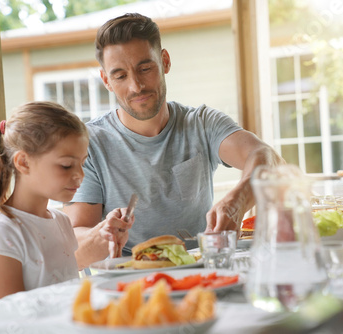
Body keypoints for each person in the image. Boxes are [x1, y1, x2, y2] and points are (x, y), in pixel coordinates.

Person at [64, 13, 284, 263]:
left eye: (145, 68)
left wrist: (238, 199)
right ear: (106, 81)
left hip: (202, 271)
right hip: (128, 282)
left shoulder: (202, 123)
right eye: (120, 76)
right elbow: (73, 248)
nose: (136, 86)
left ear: (165, 61)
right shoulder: (89, 144)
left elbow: (268, 159)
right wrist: (100, 235)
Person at [0, 101, 134, 302]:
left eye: (82, 163)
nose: (80, 175)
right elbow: (13, 319)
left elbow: (68, 290)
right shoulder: (1, 234)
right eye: (66, 165)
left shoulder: (60, 221)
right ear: (23, 162)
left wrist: (113, 251)